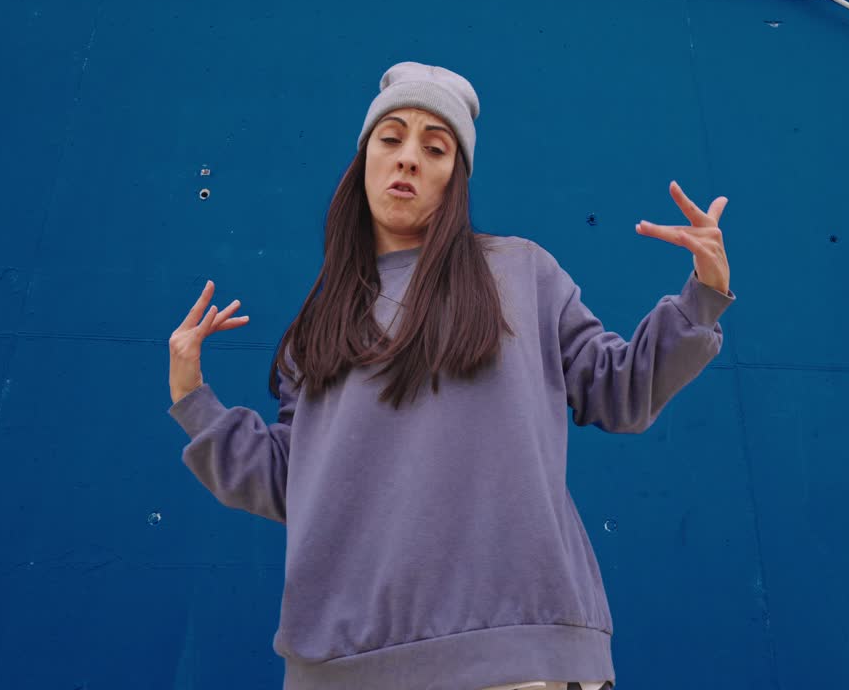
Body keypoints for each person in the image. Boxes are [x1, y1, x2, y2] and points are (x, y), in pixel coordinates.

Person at [166, 61, 735, 690]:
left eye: (435, 148)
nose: (408, 159)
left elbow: (620, 389)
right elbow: (294, 483)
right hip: (345, 665)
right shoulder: (319, 327)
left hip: (522, 656)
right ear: (363, 163)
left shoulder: (522, 273)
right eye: (391, 139)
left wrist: (702, 297)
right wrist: (193, 397)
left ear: (454, 179)